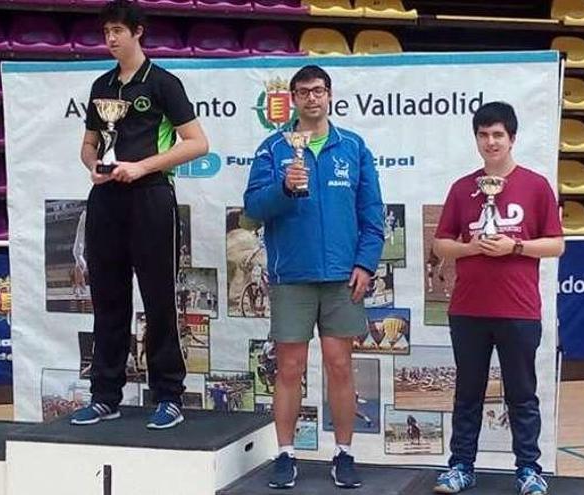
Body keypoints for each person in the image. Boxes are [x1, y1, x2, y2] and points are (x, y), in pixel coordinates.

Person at [70, 0, 209, 430]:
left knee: (159, 300)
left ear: (138, 32)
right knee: (108, 300)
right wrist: (94, 165)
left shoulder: (163, 83)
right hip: (107, 200)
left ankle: (169, 395)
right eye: (106, 32)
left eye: (118, 31)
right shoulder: (101, 85)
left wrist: (142, 166)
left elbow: (197, 143)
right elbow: (89, 144)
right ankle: (105, 395)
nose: (111, 39)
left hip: (151, 197)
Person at [243, 65, 384, 490]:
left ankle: (344, 453)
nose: (311, 98)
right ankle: (285, 454)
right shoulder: (273, 149)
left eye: (318, 91)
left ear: (329, 95)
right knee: (289, 368)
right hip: (292, 276)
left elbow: (373, 215)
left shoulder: (353, 148)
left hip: (343, 277)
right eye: (303, 92)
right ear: (293, 98)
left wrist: (366, 264)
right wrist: (283, 188)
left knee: (341, 367)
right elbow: (252, 208)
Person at [431, 102, 563, 495]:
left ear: (512, 138)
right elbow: (440, 244)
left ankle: (528, 470)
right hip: (468, 309)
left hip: (519, 310)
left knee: (522, 393)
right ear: (476, 139)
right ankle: (460, 467)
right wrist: (472, 248)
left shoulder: (536, 186)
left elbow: (556, 245)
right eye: (483, 135)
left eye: (498, 135)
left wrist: (515, 247)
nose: (491, 142)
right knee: (467, 393)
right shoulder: (461, 188)